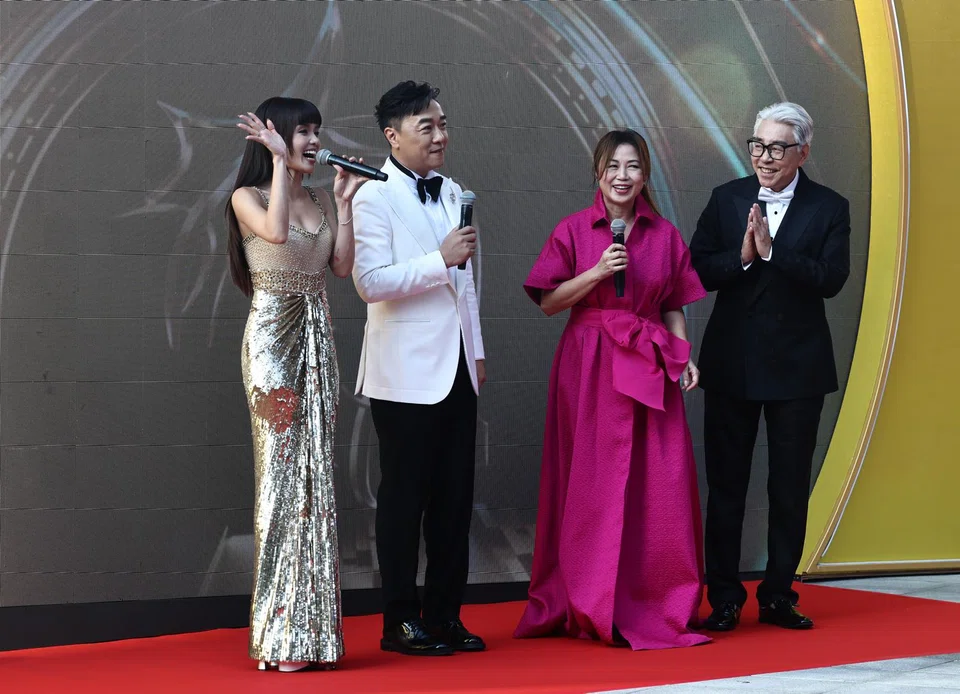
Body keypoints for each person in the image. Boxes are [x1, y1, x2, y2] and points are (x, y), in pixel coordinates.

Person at [515, 129, 710, 650]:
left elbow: (673, 303)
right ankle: (589, 597)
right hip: (591, 363)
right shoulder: (574, 230)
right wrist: (598, 271)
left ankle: (657, 599)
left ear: (645, 175)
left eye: (633, 167)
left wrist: (683, 354)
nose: (622, 177)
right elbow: (550, 302)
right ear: (597, 173)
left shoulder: (665, 235)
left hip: (648, 360)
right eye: (613, 167)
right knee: (592, 481)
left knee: (658, 482)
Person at [689, 102, 850, 632]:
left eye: (778, 147)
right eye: (758, 145)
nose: (764, 157)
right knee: (726, 486)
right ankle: (724, 597)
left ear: (803, 152)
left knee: (788, 487)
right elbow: (696, 270)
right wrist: (742, 256)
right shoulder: (726, 197)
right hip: (732, 363)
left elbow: (832, 279)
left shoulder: (830, 207)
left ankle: (779, 594)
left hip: (798, 368)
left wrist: (774, 251)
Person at [226, 96, 366, 672]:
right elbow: (277, 234)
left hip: (318, 337)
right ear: (275, 139)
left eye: (316, 131)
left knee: (316, 482)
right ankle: (279, 635)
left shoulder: (320, 197)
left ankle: (313, 634)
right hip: (272, 345)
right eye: (302, 131)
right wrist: (281, 166)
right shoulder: (247, 197)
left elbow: (341, 268)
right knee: (282, 480)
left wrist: (344, 204)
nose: (314, 141)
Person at [351, 81, 486, 656]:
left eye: (443, 124)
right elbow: (369, 282)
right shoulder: (372, 195)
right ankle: (400, 621)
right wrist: (439, 259)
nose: (440, 136)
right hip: (404, 374)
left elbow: (466, 284)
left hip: (458, 368)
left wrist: (476, 350)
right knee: (405, 501)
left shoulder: (454, 190)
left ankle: (446, 615)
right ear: (392, 135)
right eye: (426, 127)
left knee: (455, 501)